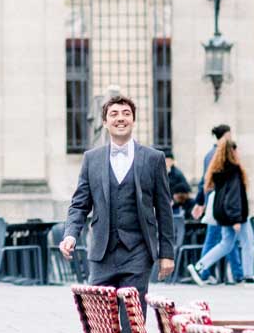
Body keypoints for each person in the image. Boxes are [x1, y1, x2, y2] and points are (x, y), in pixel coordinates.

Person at [60, 95, 176, 300]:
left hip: (138, 253)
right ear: (105, 122)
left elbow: (164, 210)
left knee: (132, 322)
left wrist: (166, 253)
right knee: (101, 323)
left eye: (126, 113)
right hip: (101, 254)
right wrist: (70, 235)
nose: (120, 118)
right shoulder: (91, 159)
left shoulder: (153, 158)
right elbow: (79, 205)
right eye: (113, 114)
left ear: (133, 120)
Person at [188, 135, 249, 285]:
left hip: (223, 214)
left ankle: (200, 267)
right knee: (245, 242)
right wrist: (236, 218)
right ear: (232, 152)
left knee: (226, 244)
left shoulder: (219, 170)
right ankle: (247, 275)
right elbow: (234, 196)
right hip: (234, 215)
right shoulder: (233, 171)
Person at [193, 124, 237, 283]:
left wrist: (200, 201)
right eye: (230, 134)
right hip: (220, 203)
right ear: (225, 135)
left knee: (226, 239)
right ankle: (202, 272)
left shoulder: (208, 154)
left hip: (214, 202)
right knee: (220, 239)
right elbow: (210, 180)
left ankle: (237, 273)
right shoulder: (220, 154)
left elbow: (203, 181)